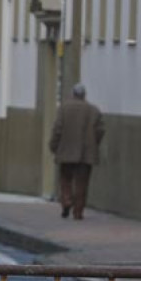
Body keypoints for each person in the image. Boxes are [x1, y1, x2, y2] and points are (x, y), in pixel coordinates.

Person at [49, 83, 105, 220]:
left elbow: (58, 129)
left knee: (65, 179)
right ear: (84, 95)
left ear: (73, 94)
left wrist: (54, 146)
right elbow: (100, 130)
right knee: (82, 183)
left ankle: (67, 201)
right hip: (86, 153)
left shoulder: (64, 108)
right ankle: (78, 212)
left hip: (66, 151)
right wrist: (93, 142)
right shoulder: (94, 110)